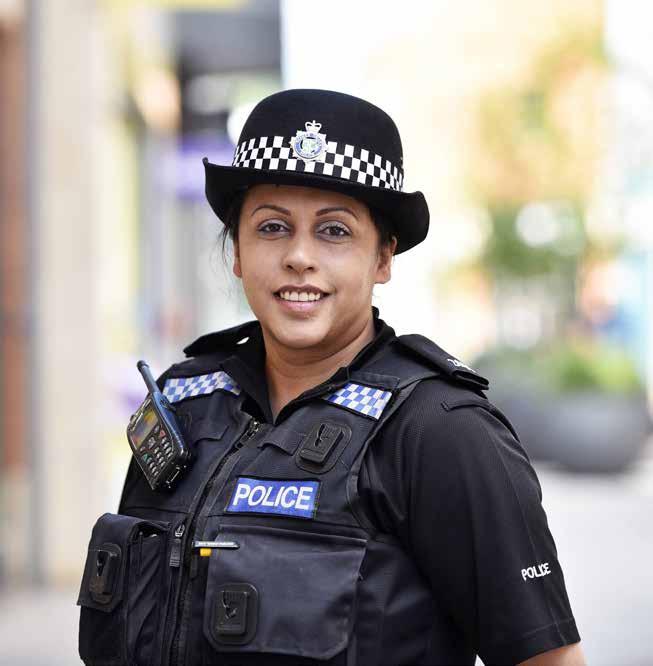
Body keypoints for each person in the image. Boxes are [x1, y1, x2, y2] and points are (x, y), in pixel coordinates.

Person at [77, 89, 585, 666]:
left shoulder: (440, 431)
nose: (299, 256)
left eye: (334, 231)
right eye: (272, 227)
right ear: (238, 250)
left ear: (383, 258)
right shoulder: (183, 402)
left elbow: (549, 661)